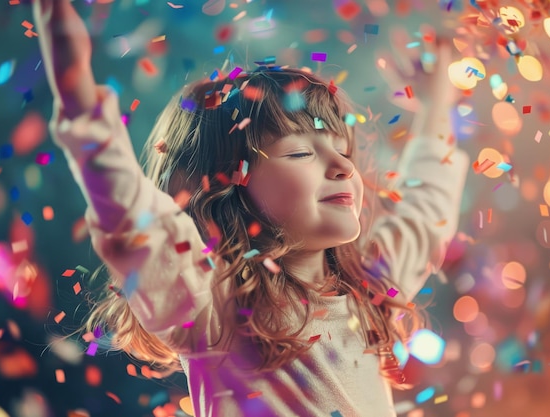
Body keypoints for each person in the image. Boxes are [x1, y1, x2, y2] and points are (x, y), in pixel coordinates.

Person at [33, 0, 469, 416]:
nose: (341, 167)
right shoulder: (216, 311)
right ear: (225, 184)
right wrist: (81, 105)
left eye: (343, 151)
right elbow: (134, 218)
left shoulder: (373, 291)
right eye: (300, 153)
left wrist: (435, 107)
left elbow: (426, 210)